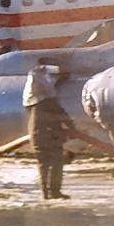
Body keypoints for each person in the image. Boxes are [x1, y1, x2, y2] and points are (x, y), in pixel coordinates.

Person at [23, 63, 75, 200]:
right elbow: (60, 115)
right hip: (50, 136)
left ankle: (45, 192)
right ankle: (54, 191)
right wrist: (72, 127)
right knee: (56, 164)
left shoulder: (31, 104)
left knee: (43, 165)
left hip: (37, 136)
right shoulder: (47, 101)